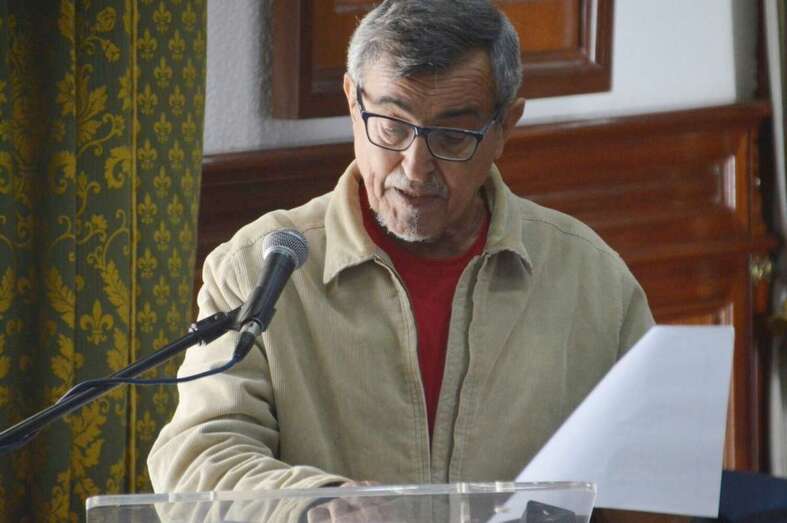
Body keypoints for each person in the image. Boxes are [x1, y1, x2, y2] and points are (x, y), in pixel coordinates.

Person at [148, 0, 653, 495]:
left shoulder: (592, 278)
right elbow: (201, 458)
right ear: (353, 102)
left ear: (504, 127)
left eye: (453, 136)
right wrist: (317, 506)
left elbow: (650, 476)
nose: (415, 168)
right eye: (391, 126)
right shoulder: (258, 269)